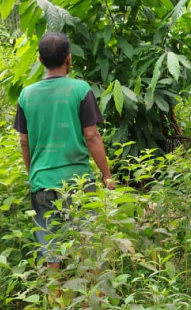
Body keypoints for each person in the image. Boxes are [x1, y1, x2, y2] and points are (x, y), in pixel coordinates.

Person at [13, 32, 116, 269]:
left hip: (42, 181)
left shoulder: (26, 95)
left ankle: (55, 290)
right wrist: (106, 175)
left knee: (51, 251)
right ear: (69, 58)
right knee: (89, 245)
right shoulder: (80, 90)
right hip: (77, 181)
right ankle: (92, 290)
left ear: (40, 59)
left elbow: (24, 142)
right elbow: (91, 135)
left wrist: (34, 172)